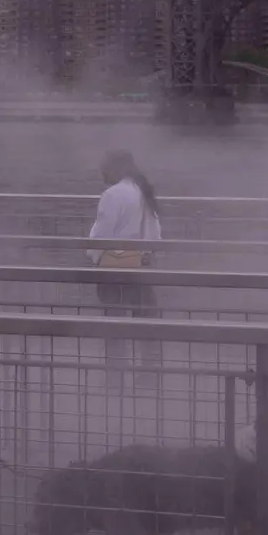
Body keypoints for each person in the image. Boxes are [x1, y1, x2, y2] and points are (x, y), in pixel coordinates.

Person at [88, 149, 164, 392]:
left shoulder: (113, 194)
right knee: (145, 326)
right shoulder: (143, 191)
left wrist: (93, 258)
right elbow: (154, 232)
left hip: (114, 271)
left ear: (114, 168)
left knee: (114, 327)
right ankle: (148, 379)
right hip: (140, 268)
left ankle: (115, 380)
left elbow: (102, 233)